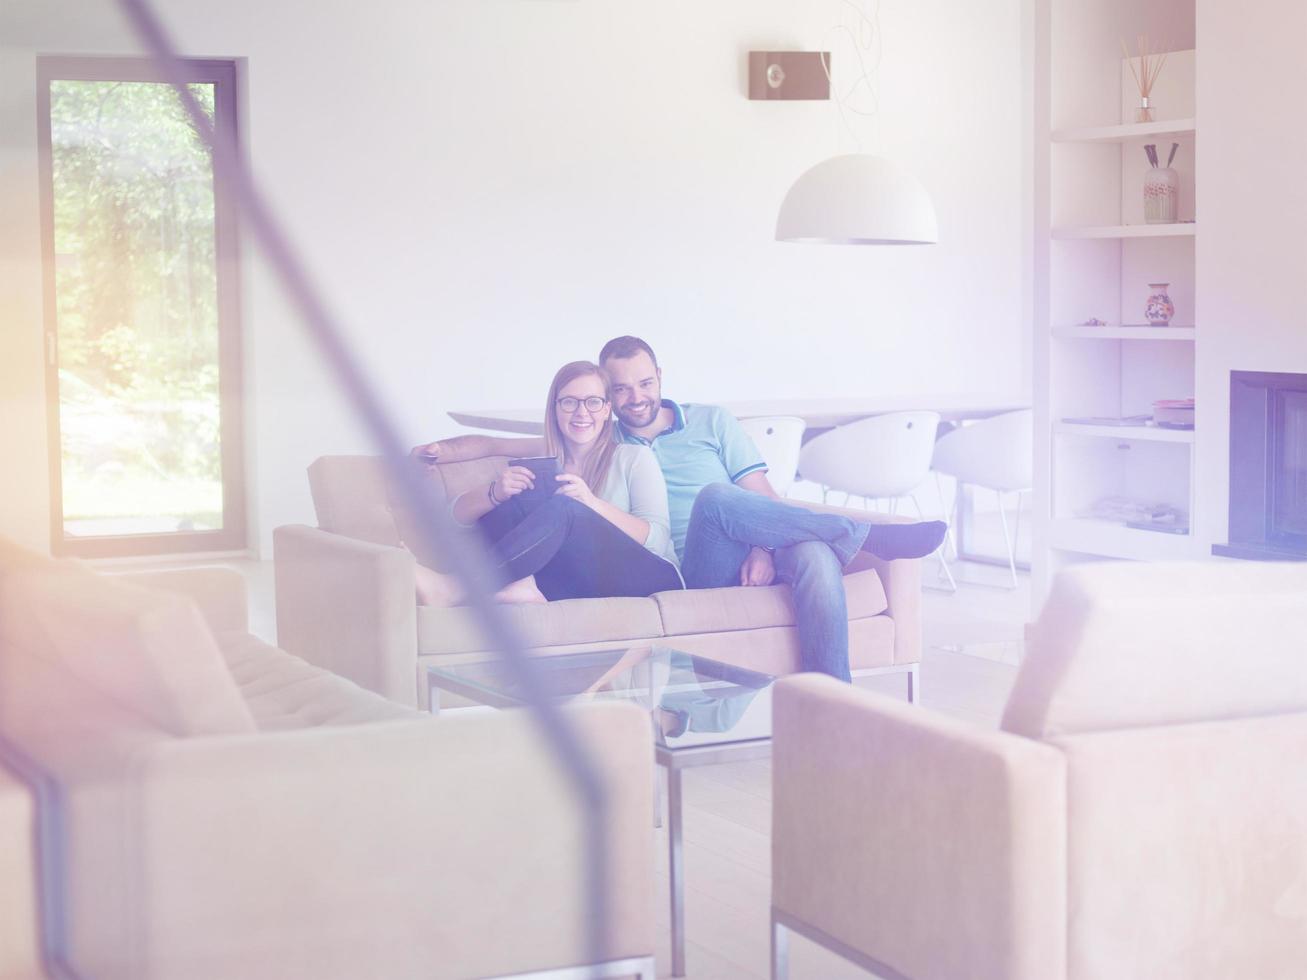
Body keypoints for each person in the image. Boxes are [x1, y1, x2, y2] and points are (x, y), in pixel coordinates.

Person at [413, 338, 945, 680]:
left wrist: (763, 543)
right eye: (618, 390)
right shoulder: (606, 435)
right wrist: (447, 452)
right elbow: (515, 441)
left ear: (660, 378)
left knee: (810, 554)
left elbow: (763, 497)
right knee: (715, 503)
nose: (634, 396)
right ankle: (860, 531)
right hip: (693, 565)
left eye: (644, 383)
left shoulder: (712, 422)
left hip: (746, 538)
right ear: (607, 397)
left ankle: (831, 707)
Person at [413, 359, 683, 606]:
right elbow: (453, 521)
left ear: (606, 410)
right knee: (509, 506)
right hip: (581, 582)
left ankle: (454, 588)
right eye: (569, 402)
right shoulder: (542, 461)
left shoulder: (634, 457)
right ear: (555, 410)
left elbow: (657, 539)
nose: (581, 412)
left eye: (593, 402)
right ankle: (523, 586)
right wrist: (494, 493)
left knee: (565, 507)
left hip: (654, 578)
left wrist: (591, 503)